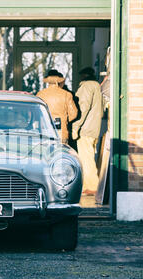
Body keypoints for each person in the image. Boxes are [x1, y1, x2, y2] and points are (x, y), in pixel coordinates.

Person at [72, 67, 103, 196]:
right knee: (89, 157)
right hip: (94, 127)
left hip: (85, 129)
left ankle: (92, 186)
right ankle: (91, 185)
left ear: (83, 75)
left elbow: (82, 108)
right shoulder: (97, 87)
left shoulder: (86, 87)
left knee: (86, 159)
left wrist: (75, 127)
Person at [36, 70, 78, 144]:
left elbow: (36, 113)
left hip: (44, 129)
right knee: (61, 153)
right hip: (61, 131)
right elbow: (74, 114)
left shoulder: (40, 94)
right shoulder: (66, 94)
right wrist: (64, 119)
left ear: (48, 81)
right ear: (59, 81)